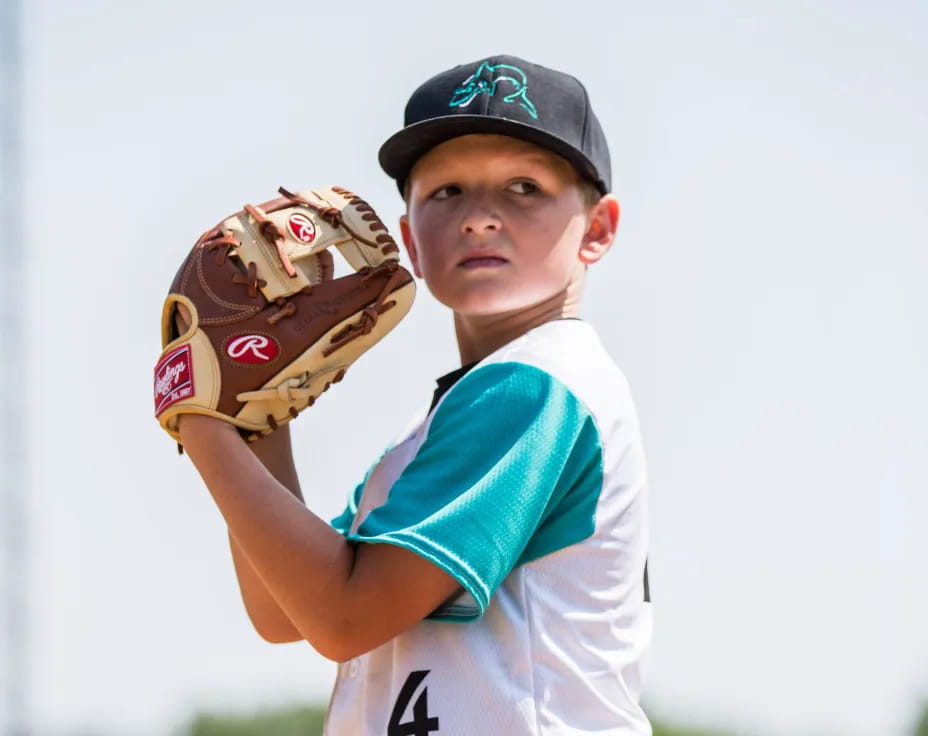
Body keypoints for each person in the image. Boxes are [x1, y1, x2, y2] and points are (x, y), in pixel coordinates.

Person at [177, 54, 653, 735]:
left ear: (598, 228)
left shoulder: (536, 385)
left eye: (523, 186)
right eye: (447, 191)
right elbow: (286, 608)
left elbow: (344, 618)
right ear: (410, 242)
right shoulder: (447, 421)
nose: (480, 217)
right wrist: (254, 419)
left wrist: (203, 426)